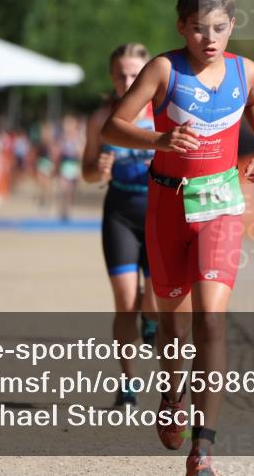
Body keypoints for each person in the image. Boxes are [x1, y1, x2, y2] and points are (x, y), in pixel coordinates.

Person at [102, 0, 254, 476]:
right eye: (199, 28)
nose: (210, 39)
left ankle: (205, 446)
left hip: (220, 202)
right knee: (174, 325)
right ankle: (172, 392)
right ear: (182, 26)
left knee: (212, 320)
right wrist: (156, 141)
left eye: (219, 28)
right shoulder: (163, 70)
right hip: (166, 205)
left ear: (232, 26)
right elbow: (116, 123)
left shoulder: (246, 71)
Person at [83, 43, 160, 407]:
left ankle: (152, 320)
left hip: (160, 214)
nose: (128, 81)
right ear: (112, 78)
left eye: (135, 75)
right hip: (120, 213)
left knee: (155, 302)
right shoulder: (102, 119)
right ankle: (128, 384)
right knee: (125, 302)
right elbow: (85, 171)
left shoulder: (163, 114)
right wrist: (96, 167)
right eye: (122, 75)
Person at [56, 114, 83, 221]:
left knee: (71, 190)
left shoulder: (78, 137)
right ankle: (64, 209)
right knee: (64, 188)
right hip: (65, 165)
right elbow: (57, 153)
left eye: (69, 124)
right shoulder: (62, 137)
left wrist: (81, 170)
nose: (67, 126)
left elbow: (81, 154)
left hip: (74, 165)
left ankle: (68, 208)